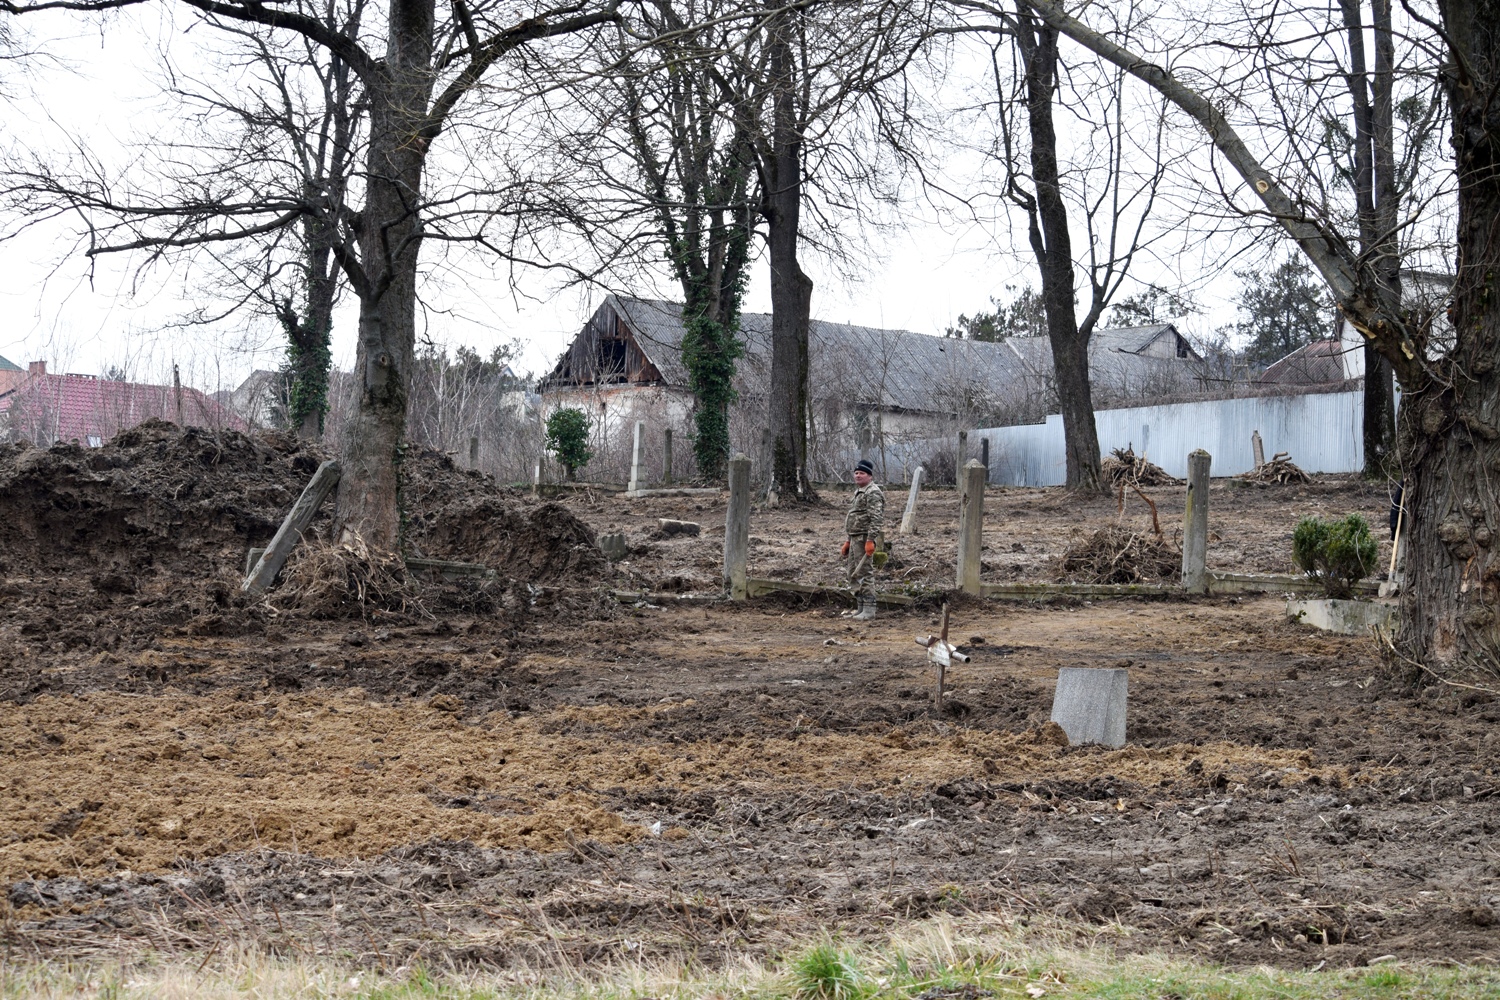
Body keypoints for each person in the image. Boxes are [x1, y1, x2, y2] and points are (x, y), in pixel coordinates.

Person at [841, 458, 885, 620]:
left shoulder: (873, 492)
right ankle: (860, 608)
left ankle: (869, 609)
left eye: (862, 473)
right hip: (854, 538)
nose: (858, 476)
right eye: (856, 473)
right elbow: (855, 517)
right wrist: (847, 540)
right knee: (854, 572)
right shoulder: (860, 491)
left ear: (870, 476)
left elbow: (876, 518)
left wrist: (870, 540)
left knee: (865, 572)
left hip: (863, 538)